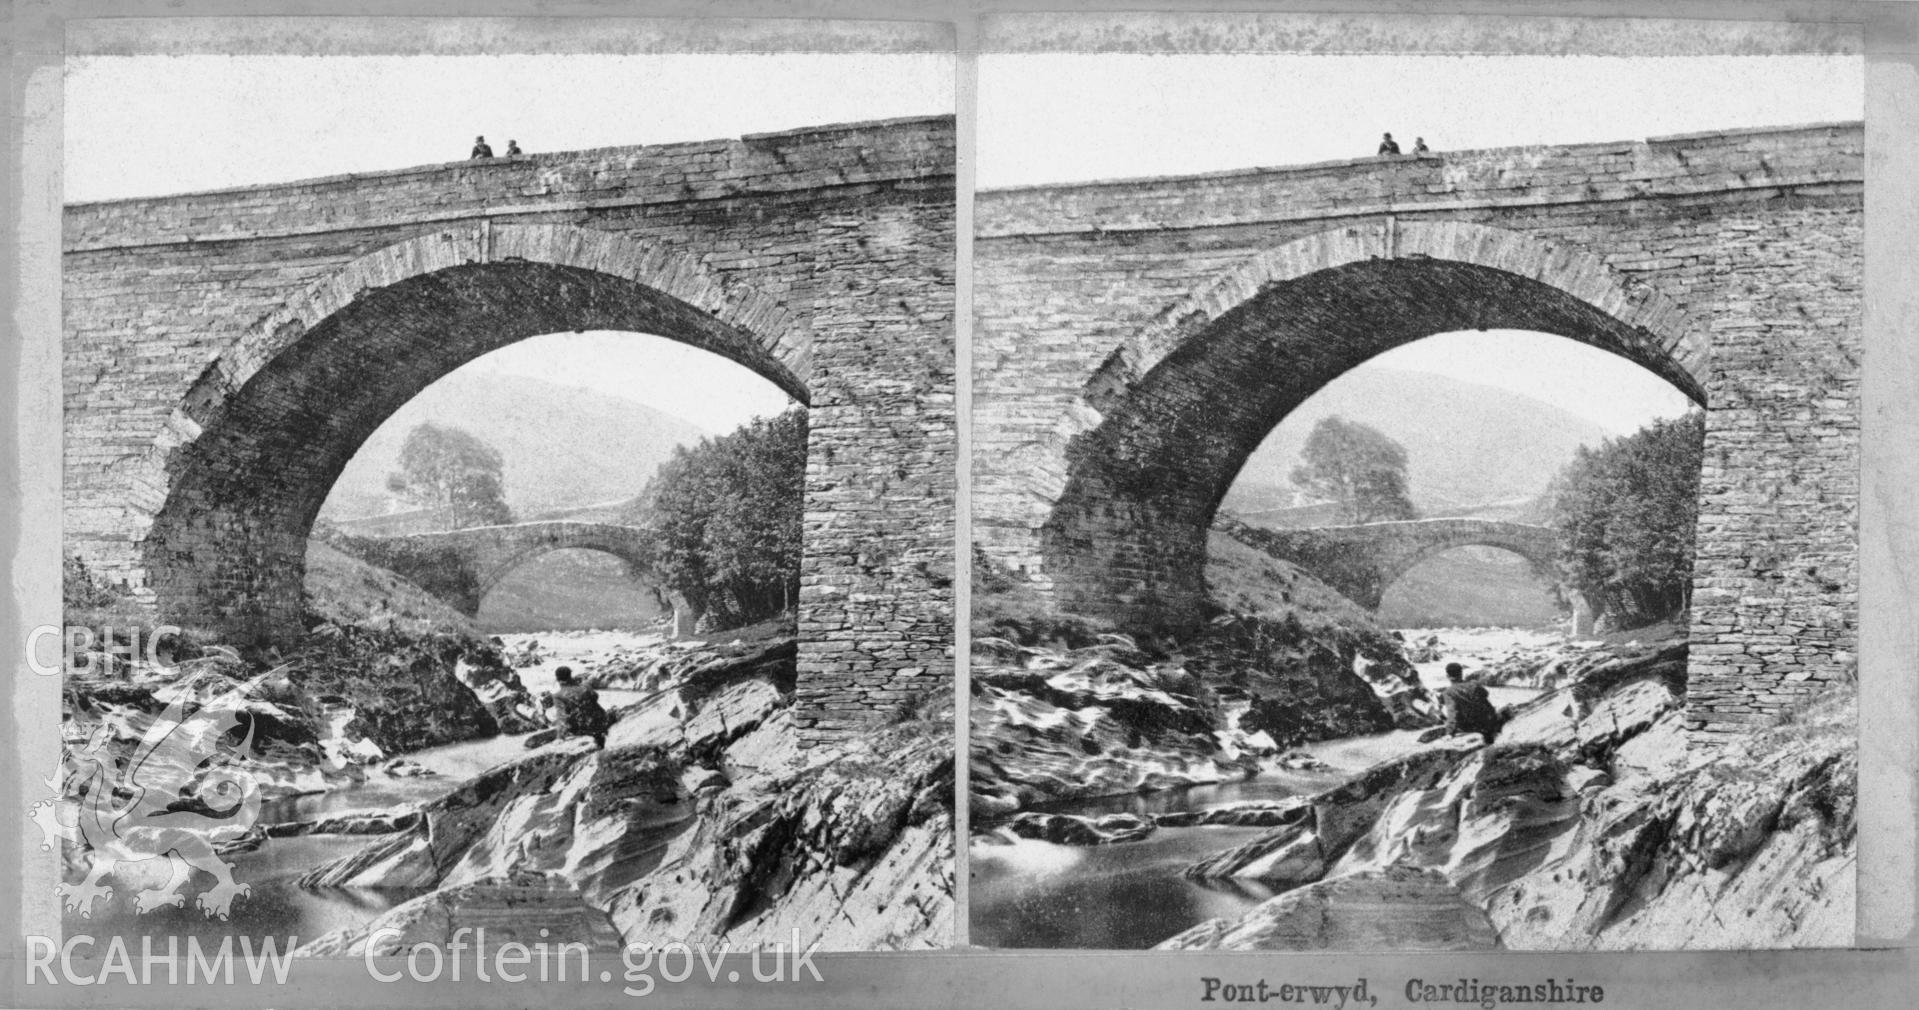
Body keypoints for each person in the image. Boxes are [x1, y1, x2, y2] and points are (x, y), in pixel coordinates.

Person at [544, 666, 609, 749]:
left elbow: (562, 716)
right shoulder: (586, 686)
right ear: (570, 676)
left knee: (552, 713)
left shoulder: (558, 696)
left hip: (582, 727)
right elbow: (595, 697)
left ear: (557, 679)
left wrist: (560, 737)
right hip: (600, 722)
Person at [1438, 661, 1503, 744]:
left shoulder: (1448, 692)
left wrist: (1450, 733)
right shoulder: (1474, 684)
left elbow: (1453, 712)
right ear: (1461, 673)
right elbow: (1485, 694)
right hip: (1488, 722)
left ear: (1447, 676)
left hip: (1470, 726)